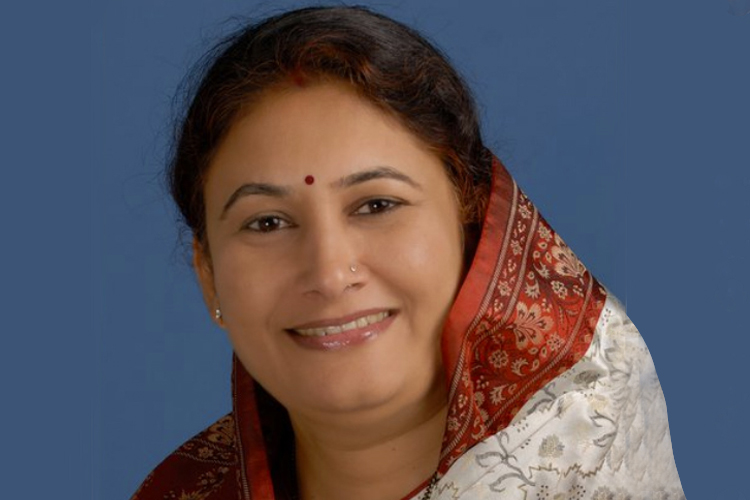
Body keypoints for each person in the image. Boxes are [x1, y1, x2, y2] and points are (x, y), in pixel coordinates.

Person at [131, 6, 685, 500]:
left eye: (376, 205)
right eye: (267, 222)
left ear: (473, 226)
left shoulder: (583, 474)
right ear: (208, 276)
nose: (329, 272)